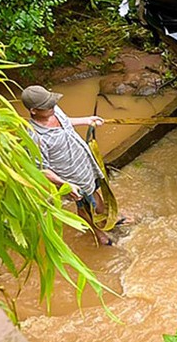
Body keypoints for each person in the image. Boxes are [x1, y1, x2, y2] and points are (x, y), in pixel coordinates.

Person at [21, 85, 112, 246]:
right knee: (83, 206)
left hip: (85, 164)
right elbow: (41, 170)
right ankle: (98, 233)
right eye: (47, 106)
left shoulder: (53, 110)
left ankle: (105, 220)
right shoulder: (35, 138)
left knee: (94, 194)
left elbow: (66, 121)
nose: (52, 106)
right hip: (71, 177)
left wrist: (87, 120)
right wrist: (65, 184)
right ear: (34, 110)